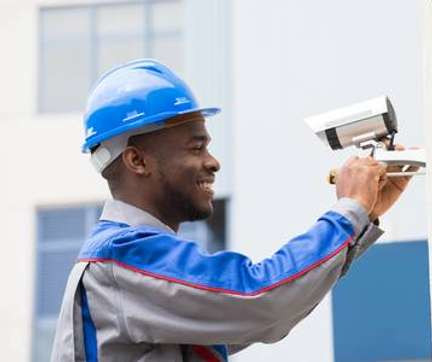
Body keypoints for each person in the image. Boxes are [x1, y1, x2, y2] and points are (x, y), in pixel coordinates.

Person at [51, 59, 413, 362]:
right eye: (196, 148)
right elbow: (262, 299)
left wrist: (363, 217)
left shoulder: (135, 268)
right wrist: (348, 213)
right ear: (137, 160)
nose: (213, 162)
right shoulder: (124, 256)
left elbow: (274, 306)